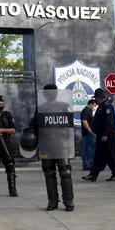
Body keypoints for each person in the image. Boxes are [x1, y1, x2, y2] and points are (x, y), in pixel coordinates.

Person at [30, 83, 75, 211]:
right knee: (49, 173)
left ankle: (68, 201)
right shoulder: (41, 108)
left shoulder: (63, 106)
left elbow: (69, 126)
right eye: (48, 93)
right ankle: (53, 202)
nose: (50, 95)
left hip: (61, 144)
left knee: (65, 172)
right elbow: (33, 126)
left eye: (52, 92)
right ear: (44, 95)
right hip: (47, 144)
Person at [83, 88, 115, 182]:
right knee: (98, 155)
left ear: (100, 97)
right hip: (101, 135)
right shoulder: (101, 106)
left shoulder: (107, 106)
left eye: (96, 98)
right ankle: (93, 175)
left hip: (106, 135)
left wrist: (105, 134)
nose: (95, 100)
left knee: (110, 155)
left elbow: (109, 122)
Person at [80, 98, 96, 172]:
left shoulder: (89, 110)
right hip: (87, 133)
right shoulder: (86, 110)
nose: (94, 107)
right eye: (93, 105)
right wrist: (90, 131)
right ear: (90, 104)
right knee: (87, 150)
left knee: (90, 150)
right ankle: (86, 165)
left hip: (89, 133)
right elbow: (84, 121)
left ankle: (89, 164)